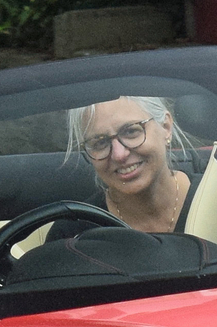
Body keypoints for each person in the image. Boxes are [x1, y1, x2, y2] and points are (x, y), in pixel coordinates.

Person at [67, 96, 191, 234]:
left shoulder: (216, 200)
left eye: (131, 131)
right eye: (100, 143)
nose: (119, 155)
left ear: (166, 127)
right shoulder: (74, 233)